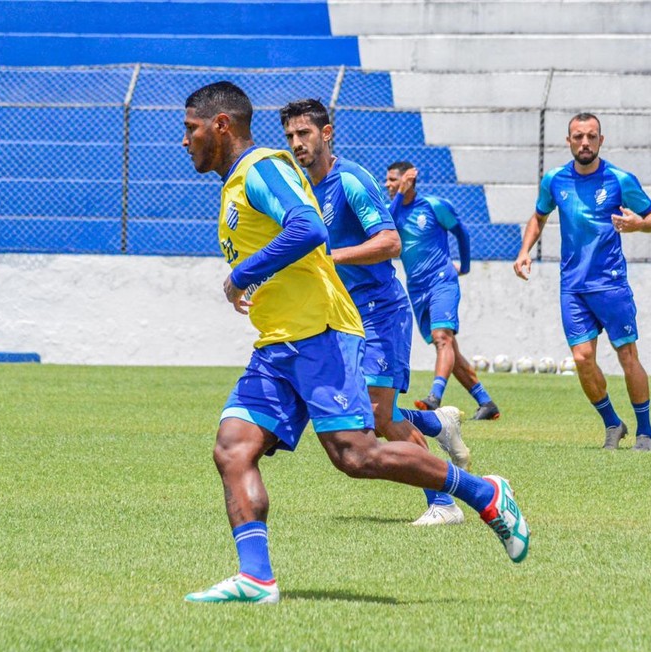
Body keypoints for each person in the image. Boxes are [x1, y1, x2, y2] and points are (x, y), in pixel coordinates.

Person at [181, 81, 530, 604]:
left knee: (357, 455)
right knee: (232, 448)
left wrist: (242, 274)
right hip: (278, 343)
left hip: (320, 334)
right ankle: (256, 578)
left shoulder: (263, 169)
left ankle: (484, 494)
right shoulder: (237, 183)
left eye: (191, 130)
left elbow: (307, 230)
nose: (185, 141)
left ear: (221, 125)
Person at [279, 99, 471, 527]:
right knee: (364, 412)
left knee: (378, 416)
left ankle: (444, 503)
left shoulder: (350, 180)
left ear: (326, 134)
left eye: (304, 134)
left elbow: (389, 243)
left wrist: (332, 257)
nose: (296, 143)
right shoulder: (302, 188)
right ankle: (436, 424)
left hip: (380, 311)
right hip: (341, 316)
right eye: (290, 136)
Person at [513, 112, 651, 452]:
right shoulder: (554, 180)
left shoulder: (620, 180)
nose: (585, 142)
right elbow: (539, 216)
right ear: (568, 141)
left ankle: (646, 431)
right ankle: (612, 423)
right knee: (582, 359)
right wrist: (524, 251)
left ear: (601, 140)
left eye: (591, 136)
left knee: (627, 356)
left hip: (610, 285)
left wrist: (639, 225)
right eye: (578, 136)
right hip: (573, 287)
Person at [384, 163, 501, 421]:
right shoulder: (392, 211)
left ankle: (434, 397)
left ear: (408, 179)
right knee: (450, 350)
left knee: (442, 338)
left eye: (392, 179)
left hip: (441, 281)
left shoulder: (434, 206)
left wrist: (466, 267)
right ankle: (486, 403)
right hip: (416, 289)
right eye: (388, 180)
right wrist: (401, 194)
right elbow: (386, 229)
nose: (387, 184)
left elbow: (462, 233)